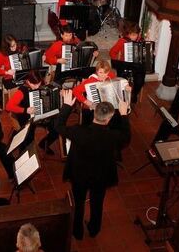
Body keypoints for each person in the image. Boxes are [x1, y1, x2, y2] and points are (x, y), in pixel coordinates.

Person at [55, 89, 131, 240]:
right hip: (100, 177)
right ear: (108, 119)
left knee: (79, 203)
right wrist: (124, 115)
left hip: (79, 175)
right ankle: (94, 229)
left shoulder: (78, 131)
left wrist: (67, 106)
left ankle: (77, 232)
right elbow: (126, 137)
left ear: (94, 113)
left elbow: (58, 126)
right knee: (97, 204)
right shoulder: (113, 136)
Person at [5, 71, 57, 154]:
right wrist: (25, 110)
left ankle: (43, 144)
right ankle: (23, 156)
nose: (37, 87)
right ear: (28, 82)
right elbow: (8, 106)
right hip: (26, 118)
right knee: (28, 140)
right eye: (35, 84)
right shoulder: (22, 91)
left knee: (56, 128)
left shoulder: (40, 85)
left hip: (40, 115)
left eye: (39, 84)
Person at [109, 20, 147, 102]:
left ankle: (134, 93)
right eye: (131, 35)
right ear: (128, 34)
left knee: (140, 75)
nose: (132, 37)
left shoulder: (141, 41)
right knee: (122, 75)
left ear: (138, 34)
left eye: (135, 35)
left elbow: (145, 55)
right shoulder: (122, 41)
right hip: (123, 63)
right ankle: (122, 94)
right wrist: (119, 58)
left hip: (136, 65)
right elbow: (112, 53)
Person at [72, 60, 119, 125]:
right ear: (97, 72)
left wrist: (126, 86)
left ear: (109, 71)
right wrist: (85, 101)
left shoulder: (111, 75)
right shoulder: (91, 80)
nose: (103, 75)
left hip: (107, 105)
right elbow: (75, 91)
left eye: (106, 72)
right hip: (93, 107)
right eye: (100, 72)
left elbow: (118, 82)